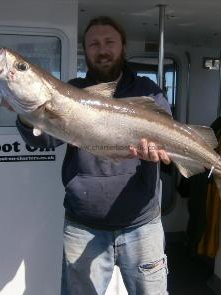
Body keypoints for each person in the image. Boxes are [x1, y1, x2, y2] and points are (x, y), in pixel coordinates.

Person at [15, 16, 172, 294]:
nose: (102, 50)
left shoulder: (149, 92)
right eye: (94, 44)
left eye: (109, 42)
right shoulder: (71, 91)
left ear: (122, 46)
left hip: (142, 223)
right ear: (85, 51)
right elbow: (45, 140)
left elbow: (166, 140)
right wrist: (29, 117)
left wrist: (156, 154)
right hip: (83, 223)